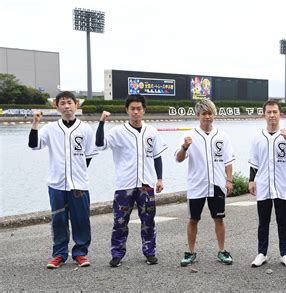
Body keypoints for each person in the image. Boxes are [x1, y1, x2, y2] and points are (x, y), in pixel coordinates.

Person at [95, 95, 168, 267]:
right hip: (124, 185)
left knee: (148, 221)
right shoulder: (117, 132)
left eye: (139, 108)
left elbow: (157, 156)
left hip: (146, 185)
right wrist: (102, 122)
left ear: (144, 110)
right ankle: (117, 253)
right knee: (120, 221)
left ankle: (150, 252)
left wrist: (159, 178)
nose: (136, 111)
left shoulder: (152, 132)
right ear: (127, 110)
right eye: (132, 108)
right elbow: (99, 144)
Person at [28, 91, 96, 269]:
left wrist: (78, 171)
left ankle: (80, 253)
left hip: (79, 184)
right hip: (56, 183)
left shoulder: (86, 129)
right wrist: (35, 124)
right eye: (63, 103)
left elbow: (88, 155)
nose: (66, 106)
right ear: (56, 106)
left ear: (76, 105)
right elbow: (34, 145)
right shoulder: (50, 128)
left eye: (69, 102)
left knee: (81, 219)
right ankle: (59, 254)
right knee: (58, 220)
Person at [175, 99, 235, 266]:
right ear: (198, 115)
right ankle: (191, 252)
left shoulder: (222, 136)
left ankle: (222, 251)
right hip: (197, 185)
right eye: (204, 114)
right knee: (193, 219)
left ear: (214, 115)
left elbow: (228, 160)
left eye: (210, 113)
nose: (207, 117)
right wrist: (184, 147)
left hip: (217, 184)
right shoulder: (190, 136)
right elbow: (178, 159)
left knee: (219, 219)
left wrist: (229, 180)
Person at [248, 100, 286, 268]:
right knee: (263, 222)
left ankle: (284, 254)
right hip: (264, 185)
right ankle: (261, 253)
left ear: (280, 114)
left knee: (282, 222)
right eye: (269, 112)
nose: (272, 115)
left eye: (275, 112)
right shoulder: (258, 137)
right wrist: (251, 180)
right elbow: (254, 162)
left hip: (282, 185)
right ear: (264, 115)